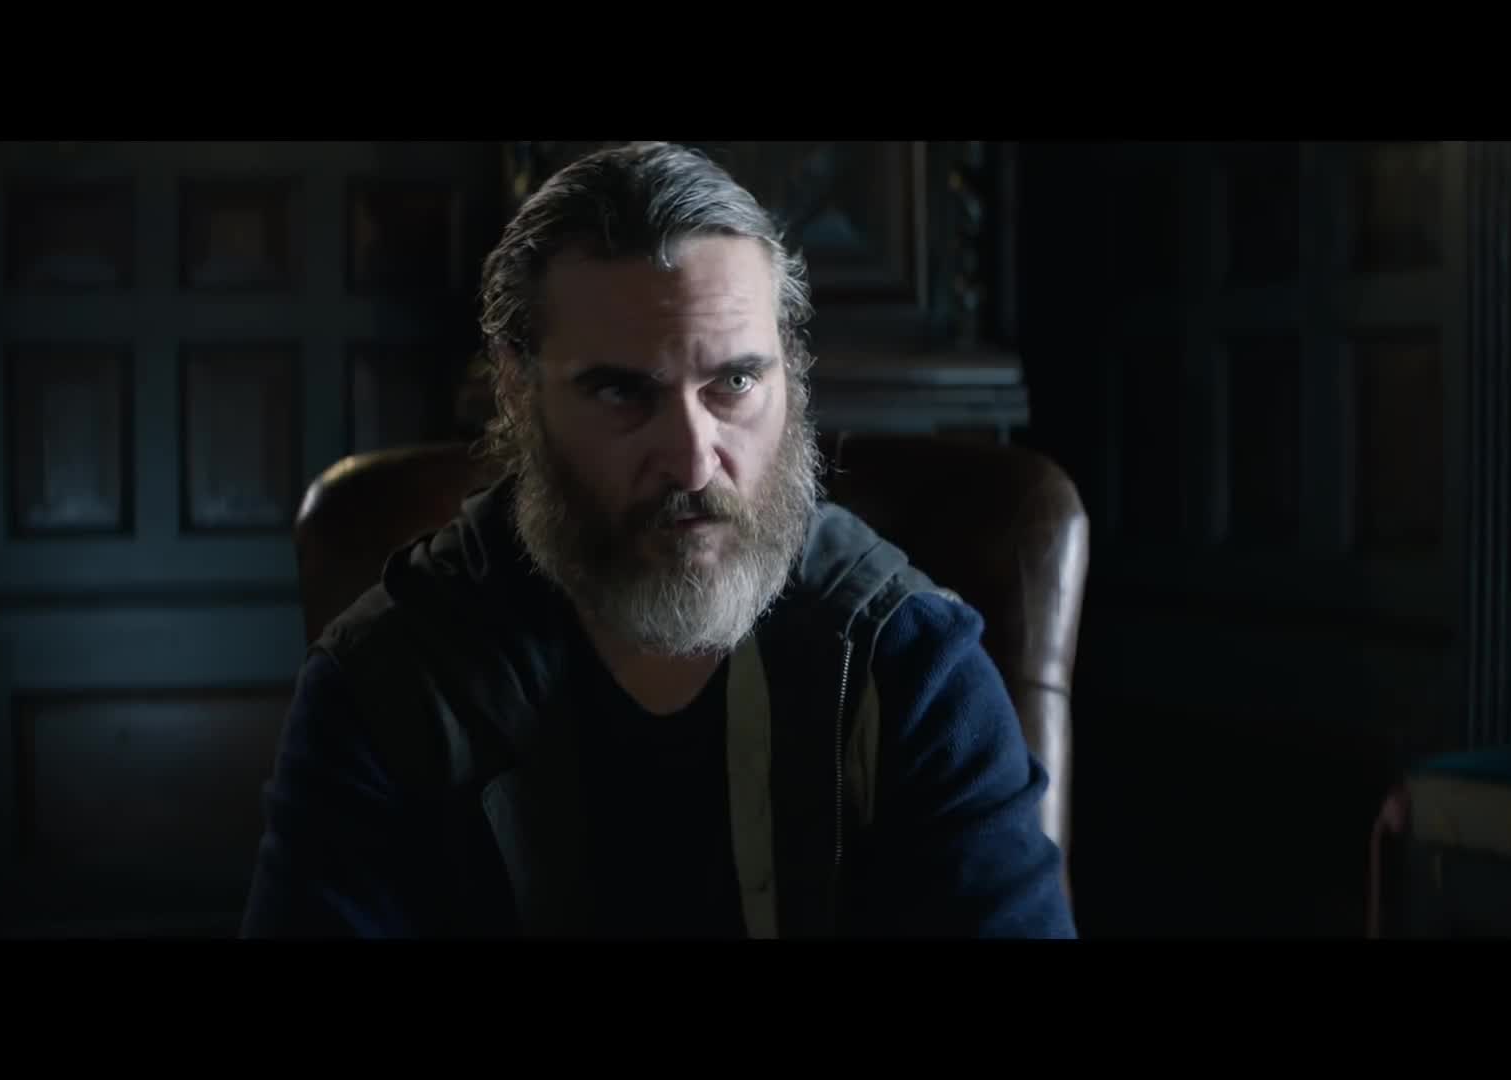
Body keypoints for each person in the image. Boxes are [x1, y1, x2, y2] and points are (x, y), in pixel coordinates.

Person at [239, 142, 1076, 938]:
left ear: (790, 370)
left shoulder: (909, 666)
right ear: (518, 390)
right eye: (622, 393)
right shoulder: (387, 682)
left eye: (735, 381)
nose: (692, 459)